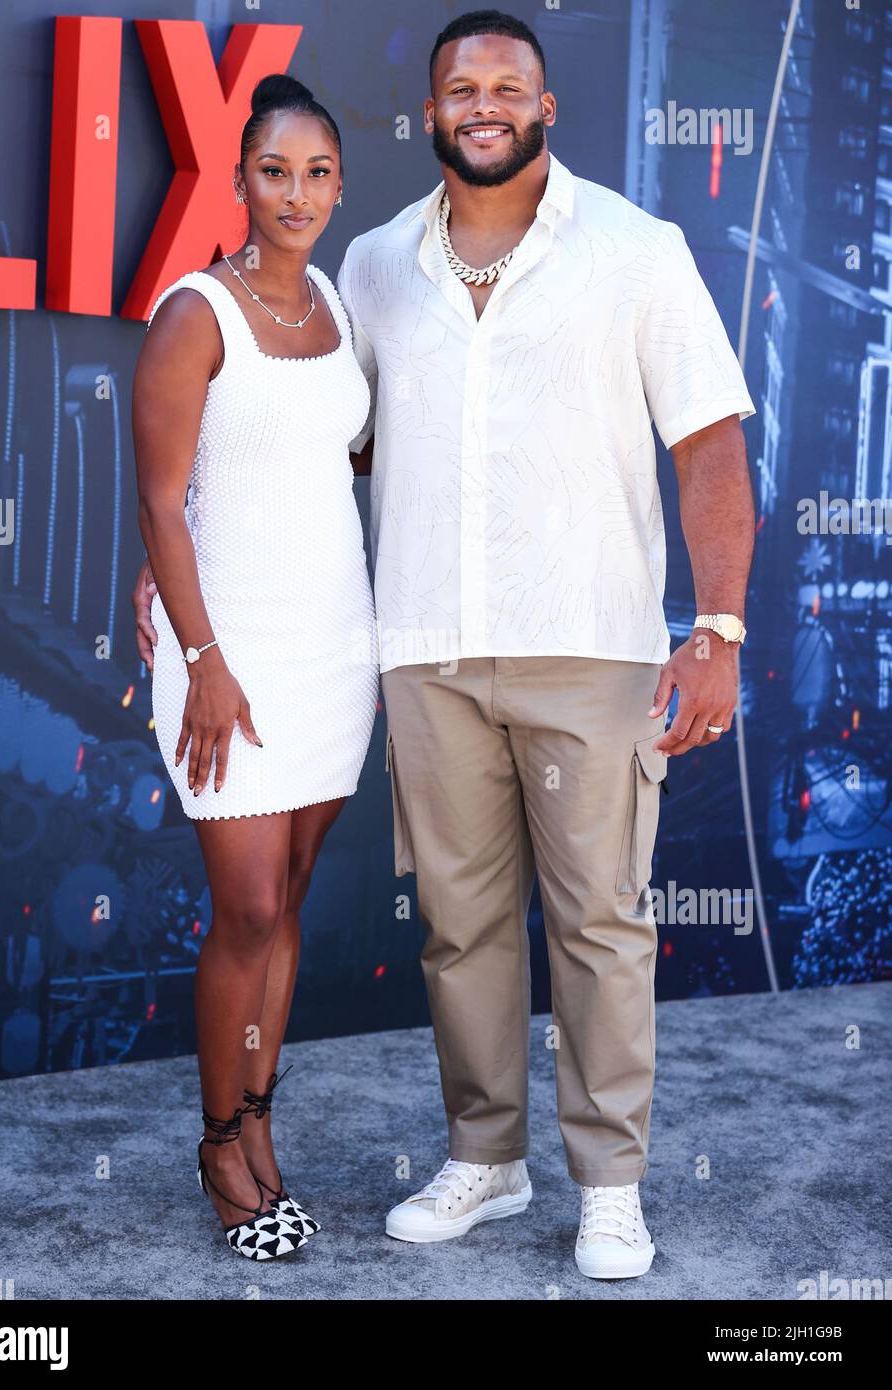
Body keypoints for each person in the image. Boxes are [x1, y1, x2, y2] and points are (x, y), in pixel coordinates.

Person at [332, 10, 755, 1278]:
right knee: (459, 924)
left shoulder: (636, 249)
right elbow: (325, 446)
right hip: (428, 645)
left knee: (600, 923)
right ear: (431, 110)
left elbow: (712, 445)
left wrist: (718, 630)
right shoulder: (371, 266)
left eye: (506, 85)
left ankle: (611, 1182)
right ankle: (487, 1158)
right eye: (460, 87)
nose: (483, 104)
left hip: (591, 645)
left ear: (547, 105)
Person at [132, 73, 379, 1261]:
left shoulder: (331, 298)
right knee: (248, 908)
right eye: (274, 170)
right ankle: (218, 1145)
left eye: (318, 172)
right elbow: (162, 507)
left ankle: (261, 1117)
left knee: (293, 904)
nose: (296, 193)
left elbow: (343, 458)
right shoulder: (195, 312)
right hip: (227, 654)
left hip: (337, 647)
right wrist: (204, 659)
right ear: (239, 179)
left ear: (340, 181)